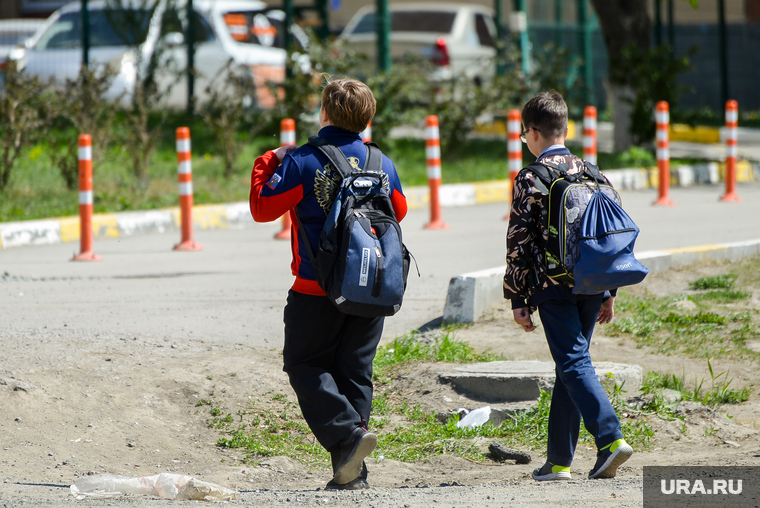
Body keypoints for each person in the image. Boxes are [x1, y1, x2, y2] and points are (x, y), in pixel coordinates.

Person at [249, 78, 408, 490]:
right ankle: (352, 471)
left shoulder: (303, 160)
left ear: (323, 114)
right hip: (370, 287)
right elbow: (400, 211)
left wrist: (270, 158)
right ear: (368, 118)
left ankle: (348, 437)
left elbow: (263, 207)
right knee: (355, 373)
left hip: (314, 289)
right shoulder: (381, 161)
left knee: (304, 364)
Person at [503, 90, 633, 481]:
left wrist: (518, 296)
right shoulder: (592, 172)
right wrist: (609, 290)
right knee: (568, 368)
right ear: (565, 129)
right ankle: (559, 461)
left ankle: (610, 439)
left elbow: (519, 241)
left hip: (552, 285)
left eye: (525, 134)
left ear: (534, 133)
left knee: (574, 362)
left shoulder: (532, 177)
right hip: (592, 283)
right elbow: (608, 233)